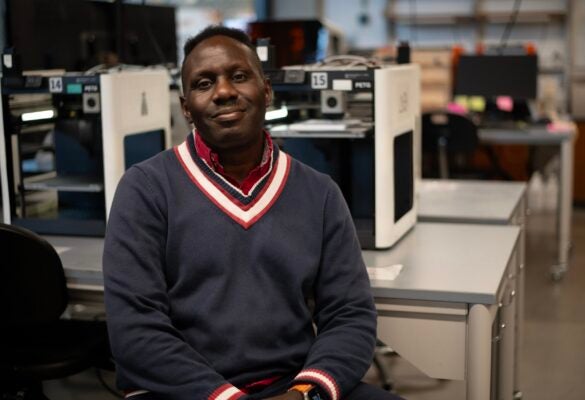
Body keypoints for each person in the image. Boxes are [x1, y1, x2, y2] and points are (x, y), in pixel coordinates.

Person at [103, 25, 405, 400]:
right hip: (184, 390)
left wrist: (307, 392)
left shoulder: (319, 193)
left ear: (267, 91)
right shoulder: (145, 189)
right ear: (186, 108)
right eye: (203, 83)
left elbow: (350, 315)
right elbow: (134, 331)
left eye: (239, 76)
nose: (224, 92)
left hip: (292, 386)